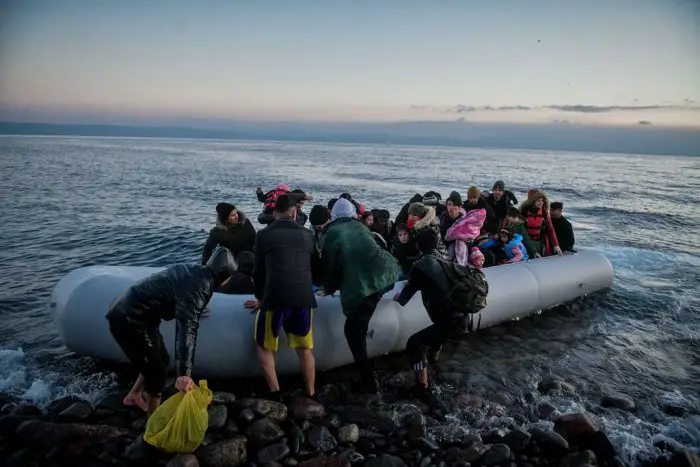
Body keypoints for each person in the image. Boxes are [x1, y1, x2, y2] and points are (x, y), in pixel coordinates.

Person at [106, 247, 238, 414]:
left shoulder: (194, 271)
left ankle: (134, 396)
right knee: (157, 373)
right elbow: (187, 331)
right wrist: (184, 373)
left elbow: (176, 292)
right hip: (129, 319)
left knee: (161, 359)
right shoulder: (200, 287)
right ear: (224, 277)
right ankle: (154, 426)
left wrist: (192, 309)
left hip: (136, 314)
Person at [321, 198, 401, 393]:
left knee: (352, 331)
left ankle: (369, 381)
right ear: (352, 214)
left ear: (333, 215)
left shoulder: (331, 233)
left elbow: (329, 267)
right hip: (388, 273)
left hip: (367, 285)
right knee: (360, 323)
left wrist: (329, 289)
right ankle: (367, 363)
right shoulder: (360, 226)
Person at [246, 195, 319, 400]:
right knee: (305, 348)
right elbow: (316, 268)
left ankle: (276, 393)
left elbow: (258, 272)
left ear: (275, 213)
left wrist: (260, 298)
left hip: (275, 298)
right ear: (294, 213)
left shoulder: (264, 235)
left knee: (263, 346)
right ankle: (311, 393)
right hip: (304, 298)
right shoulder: (307, 235)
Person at [393, 229, 469, 400]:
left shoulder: (420, 266)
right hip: (462, 317)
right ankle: (434, 363)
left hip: (449, 323)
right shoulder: (444, 260)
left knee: (414, 342)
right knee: (436, 332)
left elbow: (404, 298)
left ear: (418, 246)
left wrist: (397, 296)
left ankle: (423, 386)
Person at [520, 189, 562, 257]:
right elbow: (523, 234)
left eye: (542, 201)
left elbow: (550, 229)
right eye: (538, 201)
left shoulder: (544, 213)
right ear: (532, 201)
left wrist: (556, 245)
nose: (541, 203)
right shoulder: (523, 212)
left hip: (540, 244)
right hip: (526, 244)